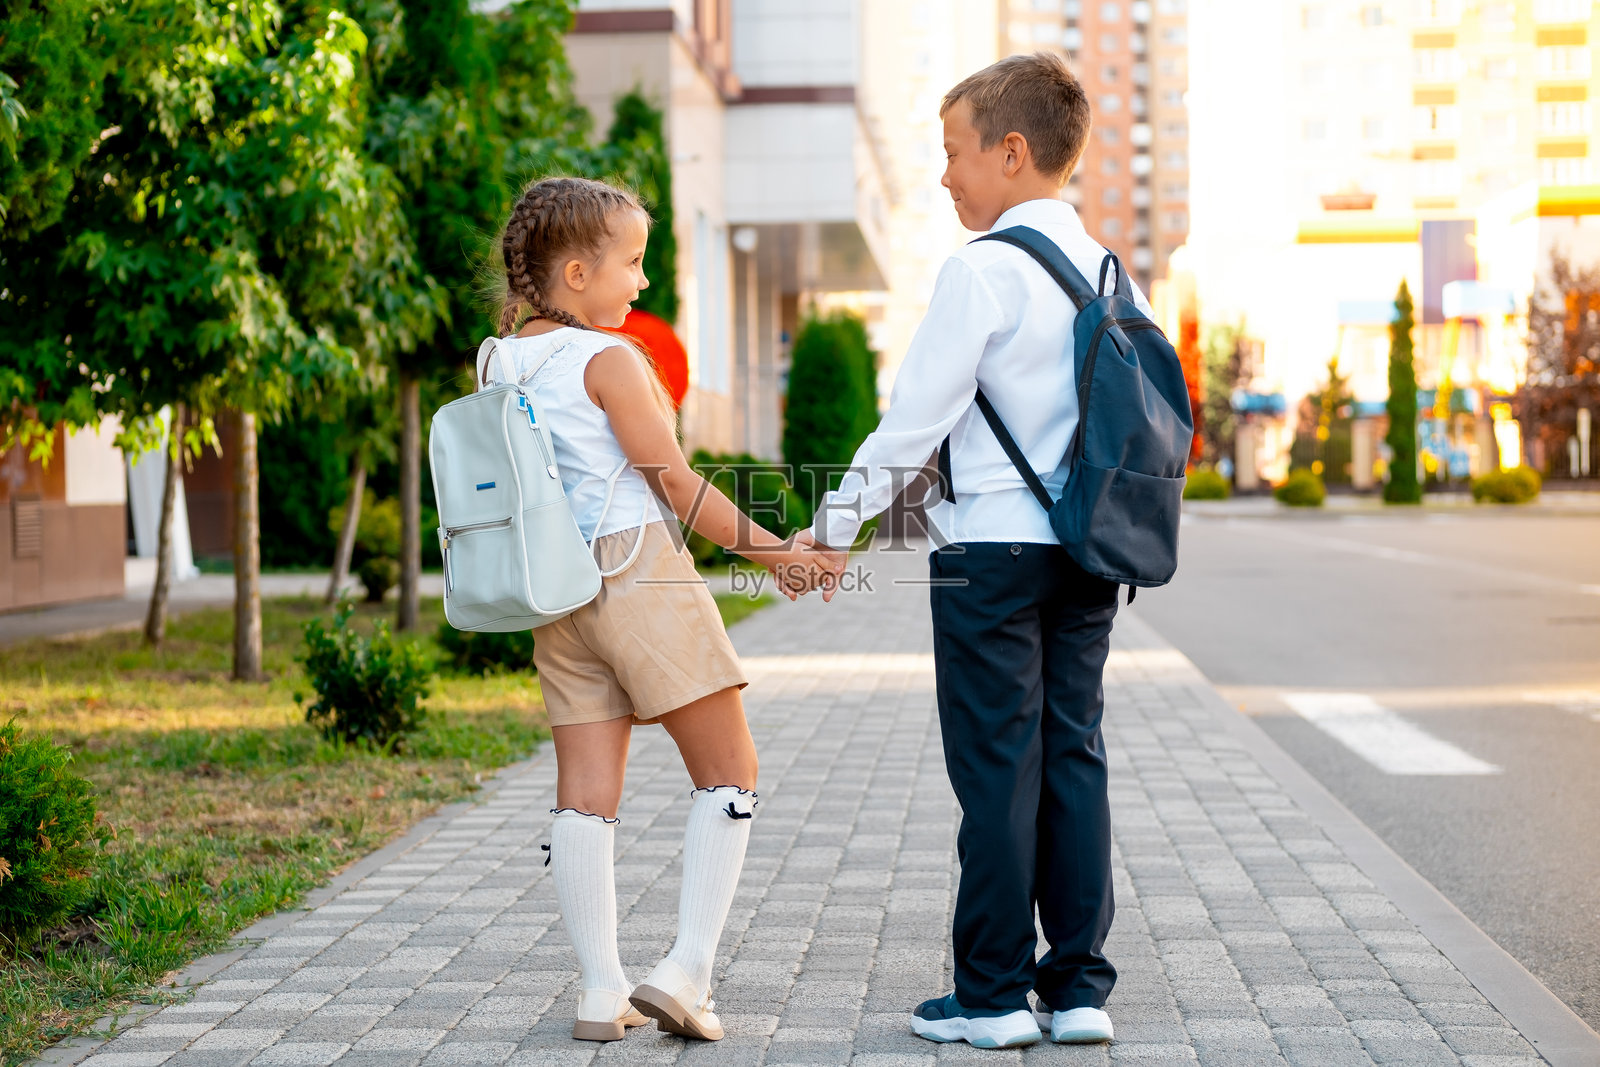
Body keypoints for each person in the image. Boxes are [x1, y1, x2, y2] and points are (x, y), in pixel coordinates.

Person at [800, 53, 1155, 1049]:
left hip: (986, 556)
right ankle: (1076, 990)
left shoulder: (981, 269)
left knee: (999, 767)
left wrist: (832, 531)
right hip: (1088, 552)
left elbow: (913, 424)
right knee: (1074, 755)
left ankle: (993, 997)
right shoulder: (1109, 272)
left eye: (954, 152)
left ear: (1011, 151)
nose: (945, 174)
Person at [485, 176, 832, 1043]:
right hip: (637, 571)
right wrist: (778, 554)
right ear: (575, 273)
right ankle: (686, 972)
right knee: (729, 769)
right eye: (632, 262)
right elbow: (675, 483)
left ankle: (600, 990)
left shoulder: (495, 361)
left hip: (555, 588)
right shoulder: (607, 360)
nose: (642, 281)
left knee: (583, 794)